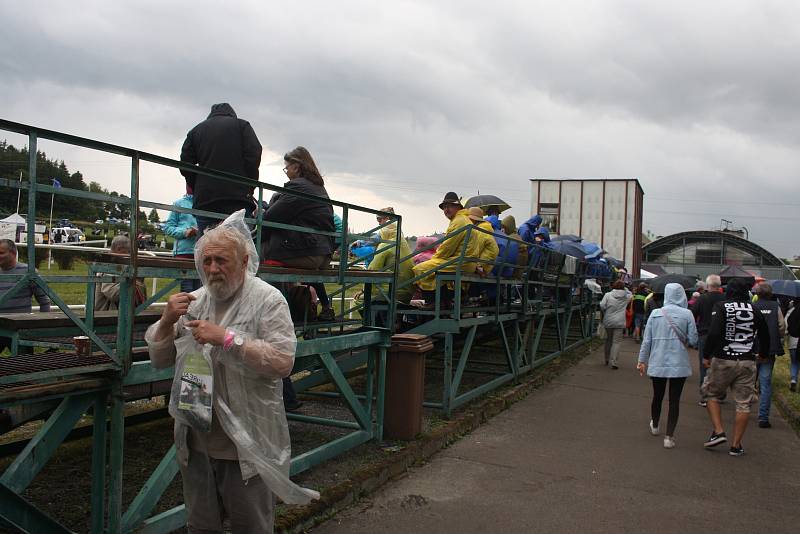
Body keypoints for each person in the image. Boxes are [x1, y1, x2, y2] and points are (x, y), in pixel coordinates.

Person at [145, 210, 318, 532]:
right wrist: (167, 321)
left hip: (244, 441)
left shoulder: (268, 300)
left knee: (250, 524)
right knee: (201, 523)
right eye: (207, 260)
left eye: (222, 260)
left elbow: (283, 362)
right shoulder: (193, 302)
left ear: (244, 260)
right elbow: (161, 359)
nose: (212, 269)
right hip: (196, 435)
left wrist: (227, 339)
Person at [262, 146, 336, 321]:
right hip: (321, 252)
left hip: (309, 251)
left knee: (254, 251)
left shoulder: (298, 187)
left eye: (287, 167)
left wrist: (254, 236)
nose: (286, 171)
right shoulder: (318, 188)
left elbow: (270, 217)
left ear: (296, 166)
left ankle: (269, 314)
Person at [701, 277, 770, 456]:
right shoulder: (755, 309)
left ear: (729, 291)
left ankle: (718, 431)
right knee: (743, 404)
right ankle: (736, 445)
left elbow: (714, 332)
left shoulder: (722, 307)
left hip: (724, 359)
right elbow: (765, 334)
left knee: (711, 393)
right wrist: (763, 354)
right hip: (747, 361)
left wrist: (707, 355)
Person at [180, 103, 262, 233]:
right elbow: (254, 155)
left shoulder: (195, 131)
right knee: (238, 245)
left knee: (206, 245)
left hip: (206, 199)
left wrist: (197, 185)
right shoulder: (242, 125)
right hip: (237, 198)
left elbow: (185, 164)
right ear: (232, 114)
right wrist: (249, 186)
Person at [637, 283, 698, 449]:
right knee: (674, 400)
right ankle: (669, 437)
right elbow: (693, 340)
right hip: (679, 363)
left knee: (657, 396)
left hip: (658, 361)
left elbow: (647, 340)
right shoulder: (687, 314)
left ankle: (655, 425)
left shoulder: (656, 313)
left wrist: (642, 360)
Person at [411, 192, 479, 304]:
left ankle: (433, 302)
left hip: (461, 262)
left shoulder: (458, 221)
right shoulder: (463, 219)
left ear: (458, 207)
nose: (446, 210)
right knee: (430, 267)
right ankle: (444, 300)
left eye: (450, 206)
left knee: (420, 268)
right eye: (444, 207)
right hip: (466, 262)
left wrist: (433, 260)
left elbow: (446, 249)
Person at [0, 239, 51, 354]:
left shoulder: (28, 272)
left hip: (20, 328)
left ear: (13, 253)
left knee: (24, 363)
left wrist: (44, 326)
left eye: (1, 253)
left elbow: (44, 301)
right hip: (0, 326)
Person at [752, 282, 786, 428]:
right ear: (770, 293)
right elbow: (782, 326)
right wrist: (777, 337)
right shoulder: (775, 307)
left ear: (757, 294)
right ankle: (763, 417)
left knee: (746, 382)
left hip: (752, 348)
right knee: (765, 384)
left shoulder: (752, 306)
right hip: (769, 350)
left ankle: (743, 411)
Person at [365, 207, 414, 304]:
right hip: (408, 293)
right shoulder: (403, 242)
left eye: (379, 219)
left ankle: (372, 319)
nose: (378, 223)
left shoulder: (385, 245)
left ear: (387, 219)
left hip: (393, 293)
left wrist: (363, 290)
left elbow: (372, 270)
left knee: (359, 300)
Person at [691, 274, 726, 406]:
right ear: (719, 285)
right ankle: (720, 394)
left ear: (707, 285)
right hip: (722, 336)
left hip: (705, 335)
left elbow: (693, 314)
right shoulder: (726, 298)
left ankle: (705, 396)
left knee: (704, 366)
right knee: (721, 365)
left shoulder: (702, 299)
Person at [163, 185, 200, 292]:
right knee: (187, 291)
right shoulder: (179, 204)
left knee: (199, 292)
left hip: (201, 254)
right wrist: (185, 232)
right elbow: (168, 228)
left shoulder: (205, 205)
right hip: (183, 254)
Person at [94, 235, 147, 311]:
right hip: (103, 315)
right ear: (119, 249)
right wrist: (136, 278)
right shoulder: (107, 266)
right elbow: (115, 294)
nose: (130, 255)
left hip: (113, 315)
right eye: (129, 252)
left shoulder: (114, 264)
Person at [599, 280, 631, 369]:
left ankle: (606, 359)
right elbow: (631, 294)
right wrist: (625, 288)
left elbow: (602, 305)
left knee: (608, 340)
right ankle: (614, 362)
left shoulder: (608, 295)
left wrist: (606, 310)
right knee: (616, 342)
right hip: (620, 321)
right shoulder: (626, 297)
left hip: (608, 320)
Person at [466, 208, 499, 277]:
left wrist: (478, 265)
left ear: (473, 220)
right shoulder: (485, 228)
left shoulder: (480, 230)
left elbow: (475, 250)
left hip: (481, 267)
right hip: (485, 266)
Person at [501, 215, 528, 279]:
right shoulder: (516, 236)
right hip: (518, 270)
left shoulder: (511, 238)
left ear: (508, 228)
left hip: (513, 271)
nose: (502, 230)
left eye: (504, 227)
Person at [787, 299, 799, 392]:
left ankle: (793, 380)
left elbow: (786, 323)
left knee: (794, 362)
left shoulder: (793, 311)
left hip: (793, 341)